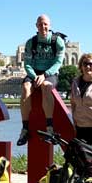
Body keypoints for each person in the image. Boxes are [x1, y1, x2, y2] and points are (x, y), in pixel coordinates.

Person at [17, 14, 65, 146]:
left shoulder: (58, 42)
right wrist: (34, 76)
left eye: (45, 24)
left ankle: (49, 128)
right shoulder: (31, 42)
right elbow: (27, 64)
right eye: (40, 24)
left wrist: (44, 74)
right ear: (36, 26)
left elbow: (58, 63)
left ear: (49, 26)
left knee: (46, 85)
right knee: (26, 87)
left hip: (50, 73)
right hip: (34, 72)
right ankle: (25, 128)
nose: (43, 27)